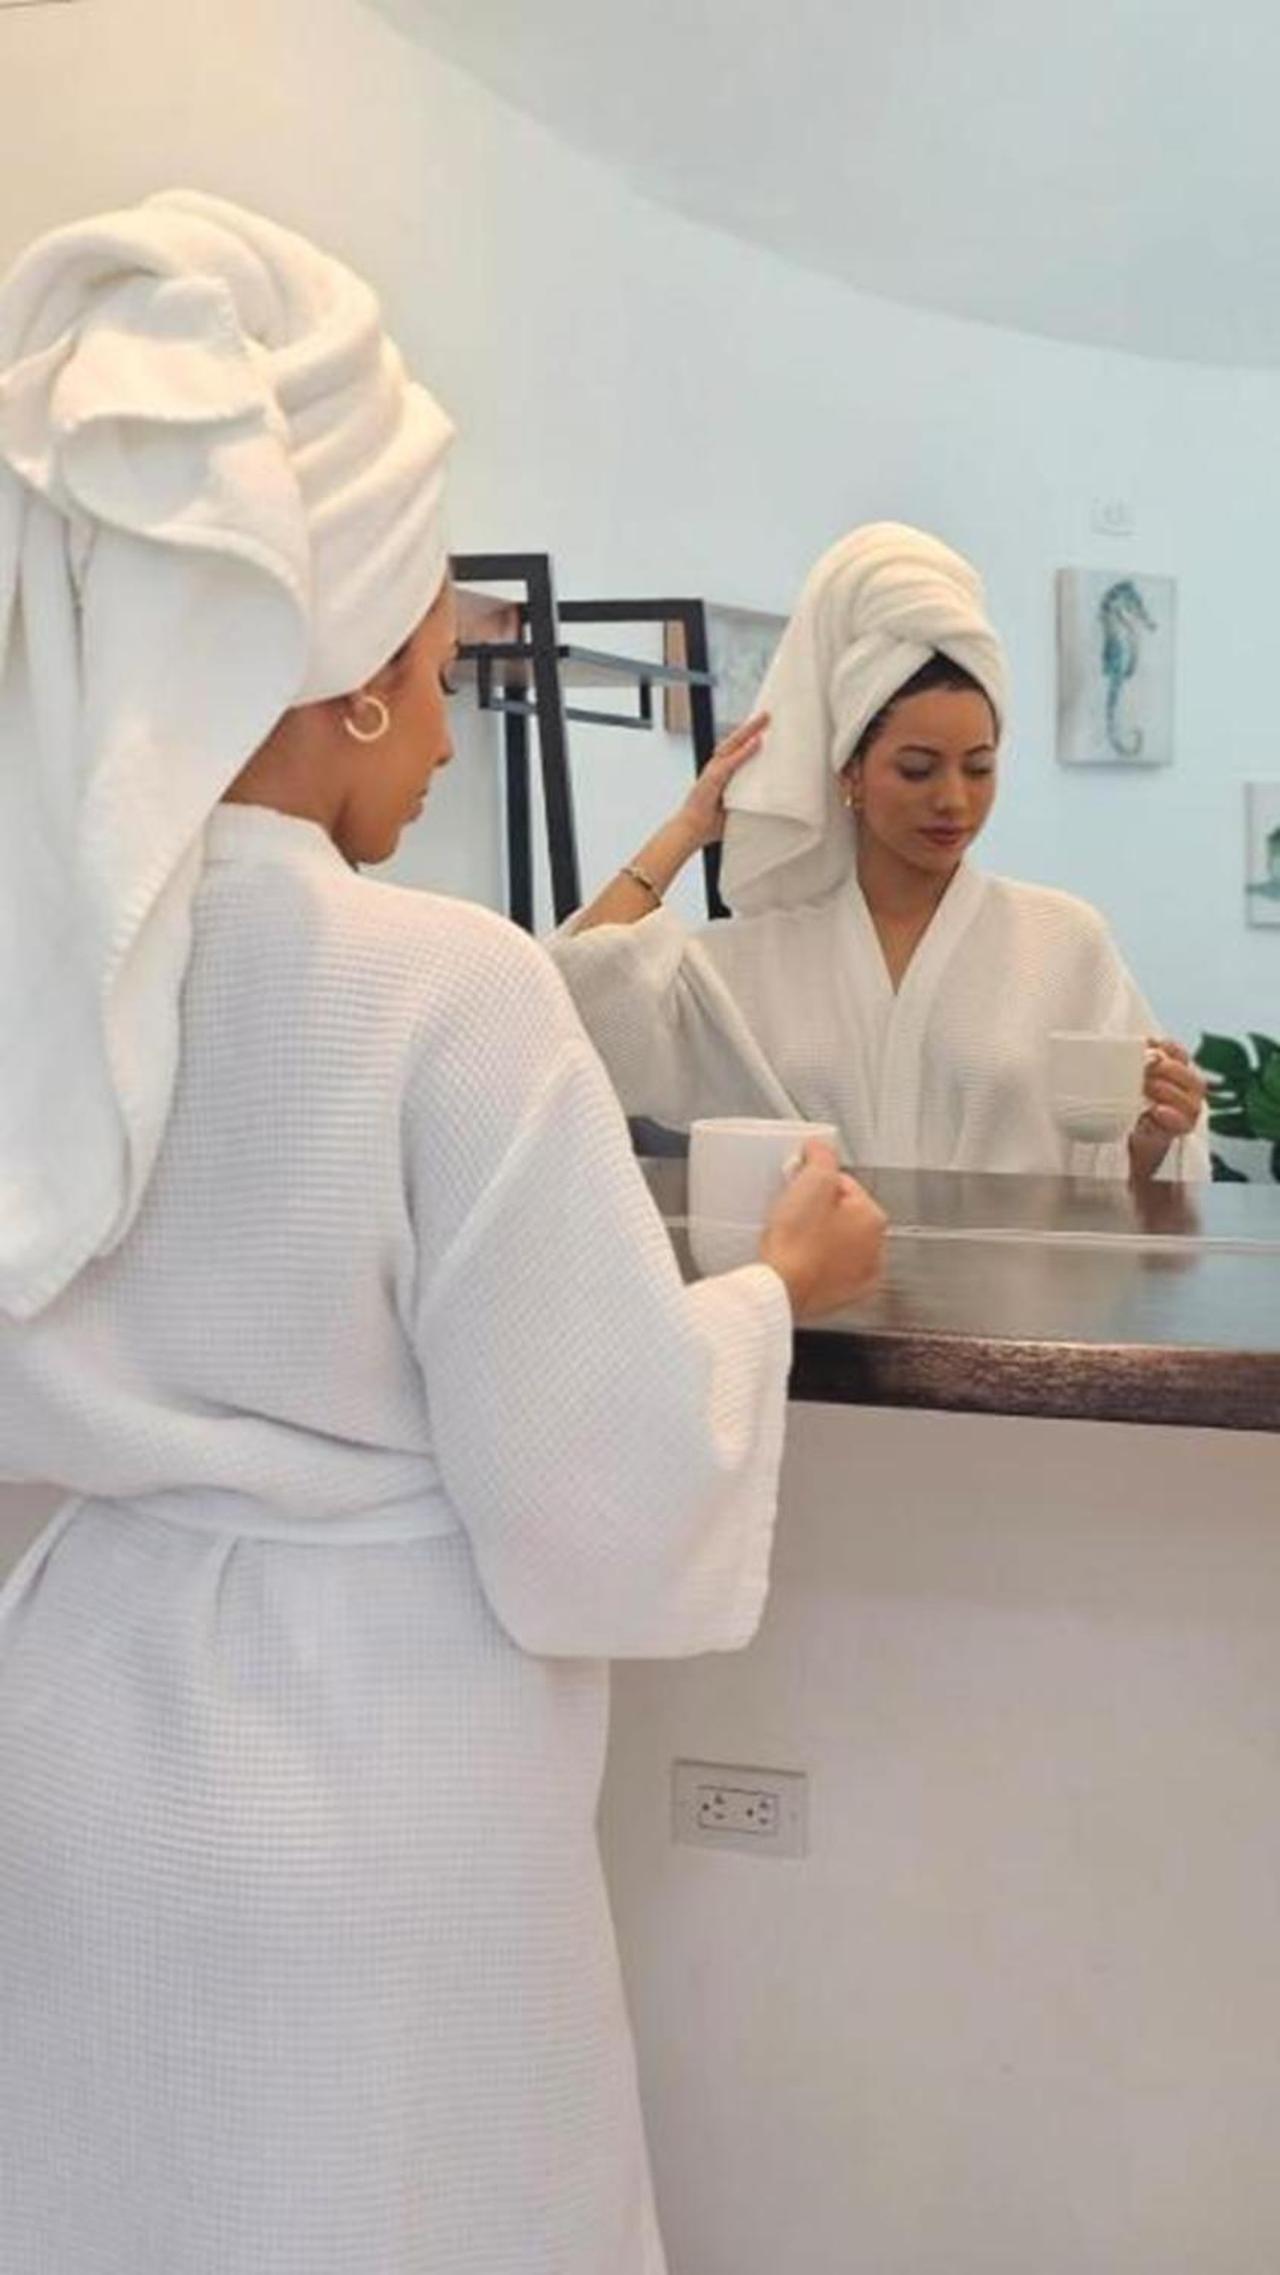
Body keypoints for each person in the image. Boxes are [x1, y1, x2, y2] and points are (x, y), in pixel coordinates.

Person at [0, 192, 885, 2275]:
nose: (449, 698)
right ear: (346, 678)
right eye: (435, 655)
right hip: (371, 1784)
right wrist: (771, 1291)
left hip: (76, 1744)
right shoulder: (438, 987)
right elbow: (598, 1496)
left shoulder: (40, 987)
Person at [553, 523, 1209, 1180]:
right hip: (812, 1250)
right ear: (851, 774)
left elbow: (1118, 1167)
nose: (953, 799)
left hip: (1017, 1252)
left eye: (979, 768)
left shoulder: (1062, 941)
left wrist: (1153, 1138)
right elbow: (580, 1013)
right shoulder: (755, 960)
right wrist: (686, 828)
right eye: (917, 769)